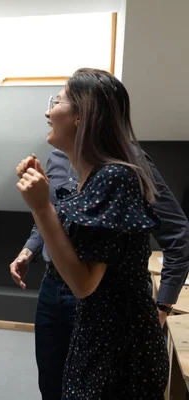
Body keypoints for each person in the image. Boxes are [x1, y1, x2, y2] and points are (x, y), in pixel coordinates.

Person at [16, 68, 169, 399]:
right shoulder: (94, 178)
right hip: (98, 335)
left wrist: (41, 207)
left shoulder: (114, 177)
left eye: (57, 100)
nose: (48, 110)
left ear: (80, 116)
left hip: (118, 347)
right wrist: (40, 203)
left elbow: (83, 284)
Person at [10, 147, 189, 399]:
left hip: (100, 295)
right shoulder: (57, 156)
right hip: (52, 288)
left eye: (58, 104)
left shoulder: (124, 163)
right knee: (51, 387)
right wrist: (29, 249)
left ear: (83, 111)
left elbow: (177, 233)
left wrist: (161, 308)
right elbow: (55, 215)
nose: (48, 112)